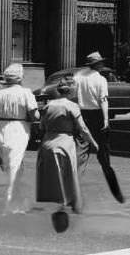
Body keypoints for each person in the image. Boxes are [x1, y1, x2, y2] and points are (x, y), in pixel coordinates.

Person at [36, 74, 99, 232]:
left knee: (53, 176)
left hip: (47, 143)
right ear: (70, 91)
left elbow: (41, 127)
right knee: (69, 175)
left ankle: (60, 204)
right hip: (65, 143)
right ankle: (68, 206)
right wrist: (94, 143)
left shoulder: (48, 106)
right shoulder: (72, 106)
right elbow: (83, 129)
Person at [0, 63, 39, 211]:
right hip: (19, 128)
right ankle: (10, 201)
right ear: (20, 78)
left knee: (10, 164)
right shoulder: (26, 93)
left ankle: (17, 198)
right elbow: (35, 116)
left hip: (1, 128)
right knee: (14, 164)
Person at [74, 51, 124, 203]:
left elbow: (73, 96)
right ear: (97, 64)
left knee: (80, 155)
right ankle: (116, 193)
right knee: (104, 158)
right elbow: (103, 100)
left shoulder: (78, 77)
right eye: (101, 63)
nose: (103, 65)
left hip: (82, 115)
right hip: (97, 116)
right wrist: (106, 120)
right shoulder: (101, 79)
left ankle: (72, 191)